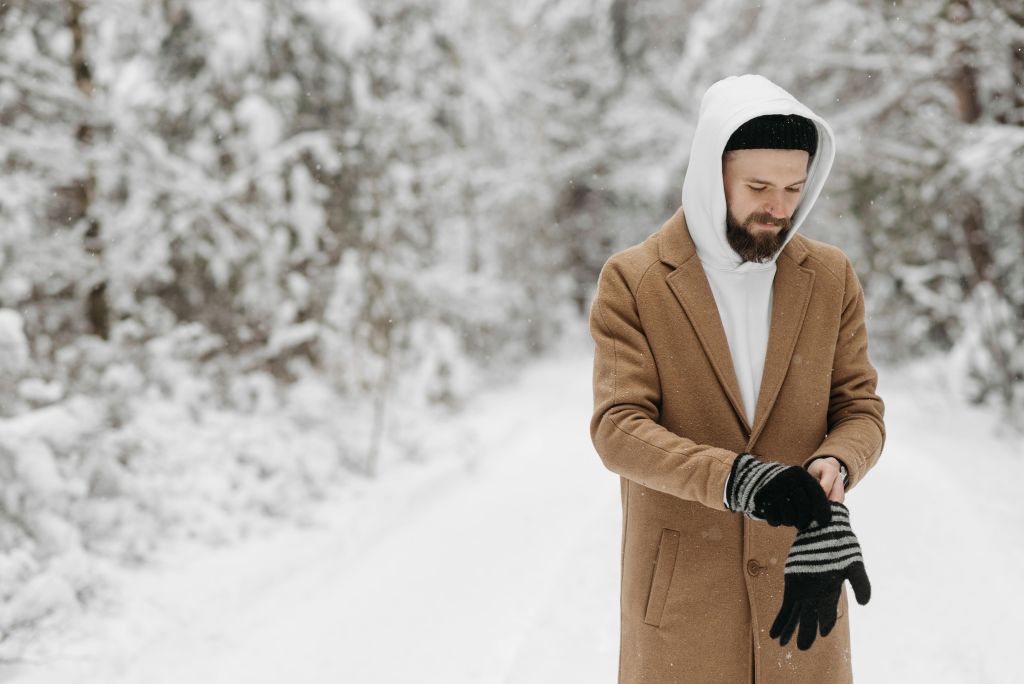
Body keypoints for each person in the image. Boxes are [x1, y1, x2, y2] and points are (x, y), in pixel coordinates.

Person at [589, 74, 885, 684]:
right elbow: (618, 429)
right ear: (711, 173)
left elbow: (859, 408)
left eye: (794, 188)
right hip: (682, 609)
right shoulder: (635, 280)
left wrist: (836, 463)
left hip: (803, 584)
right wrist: (736, 480)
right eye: (758, 187)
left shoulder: (830, 277)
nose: (779, 208)